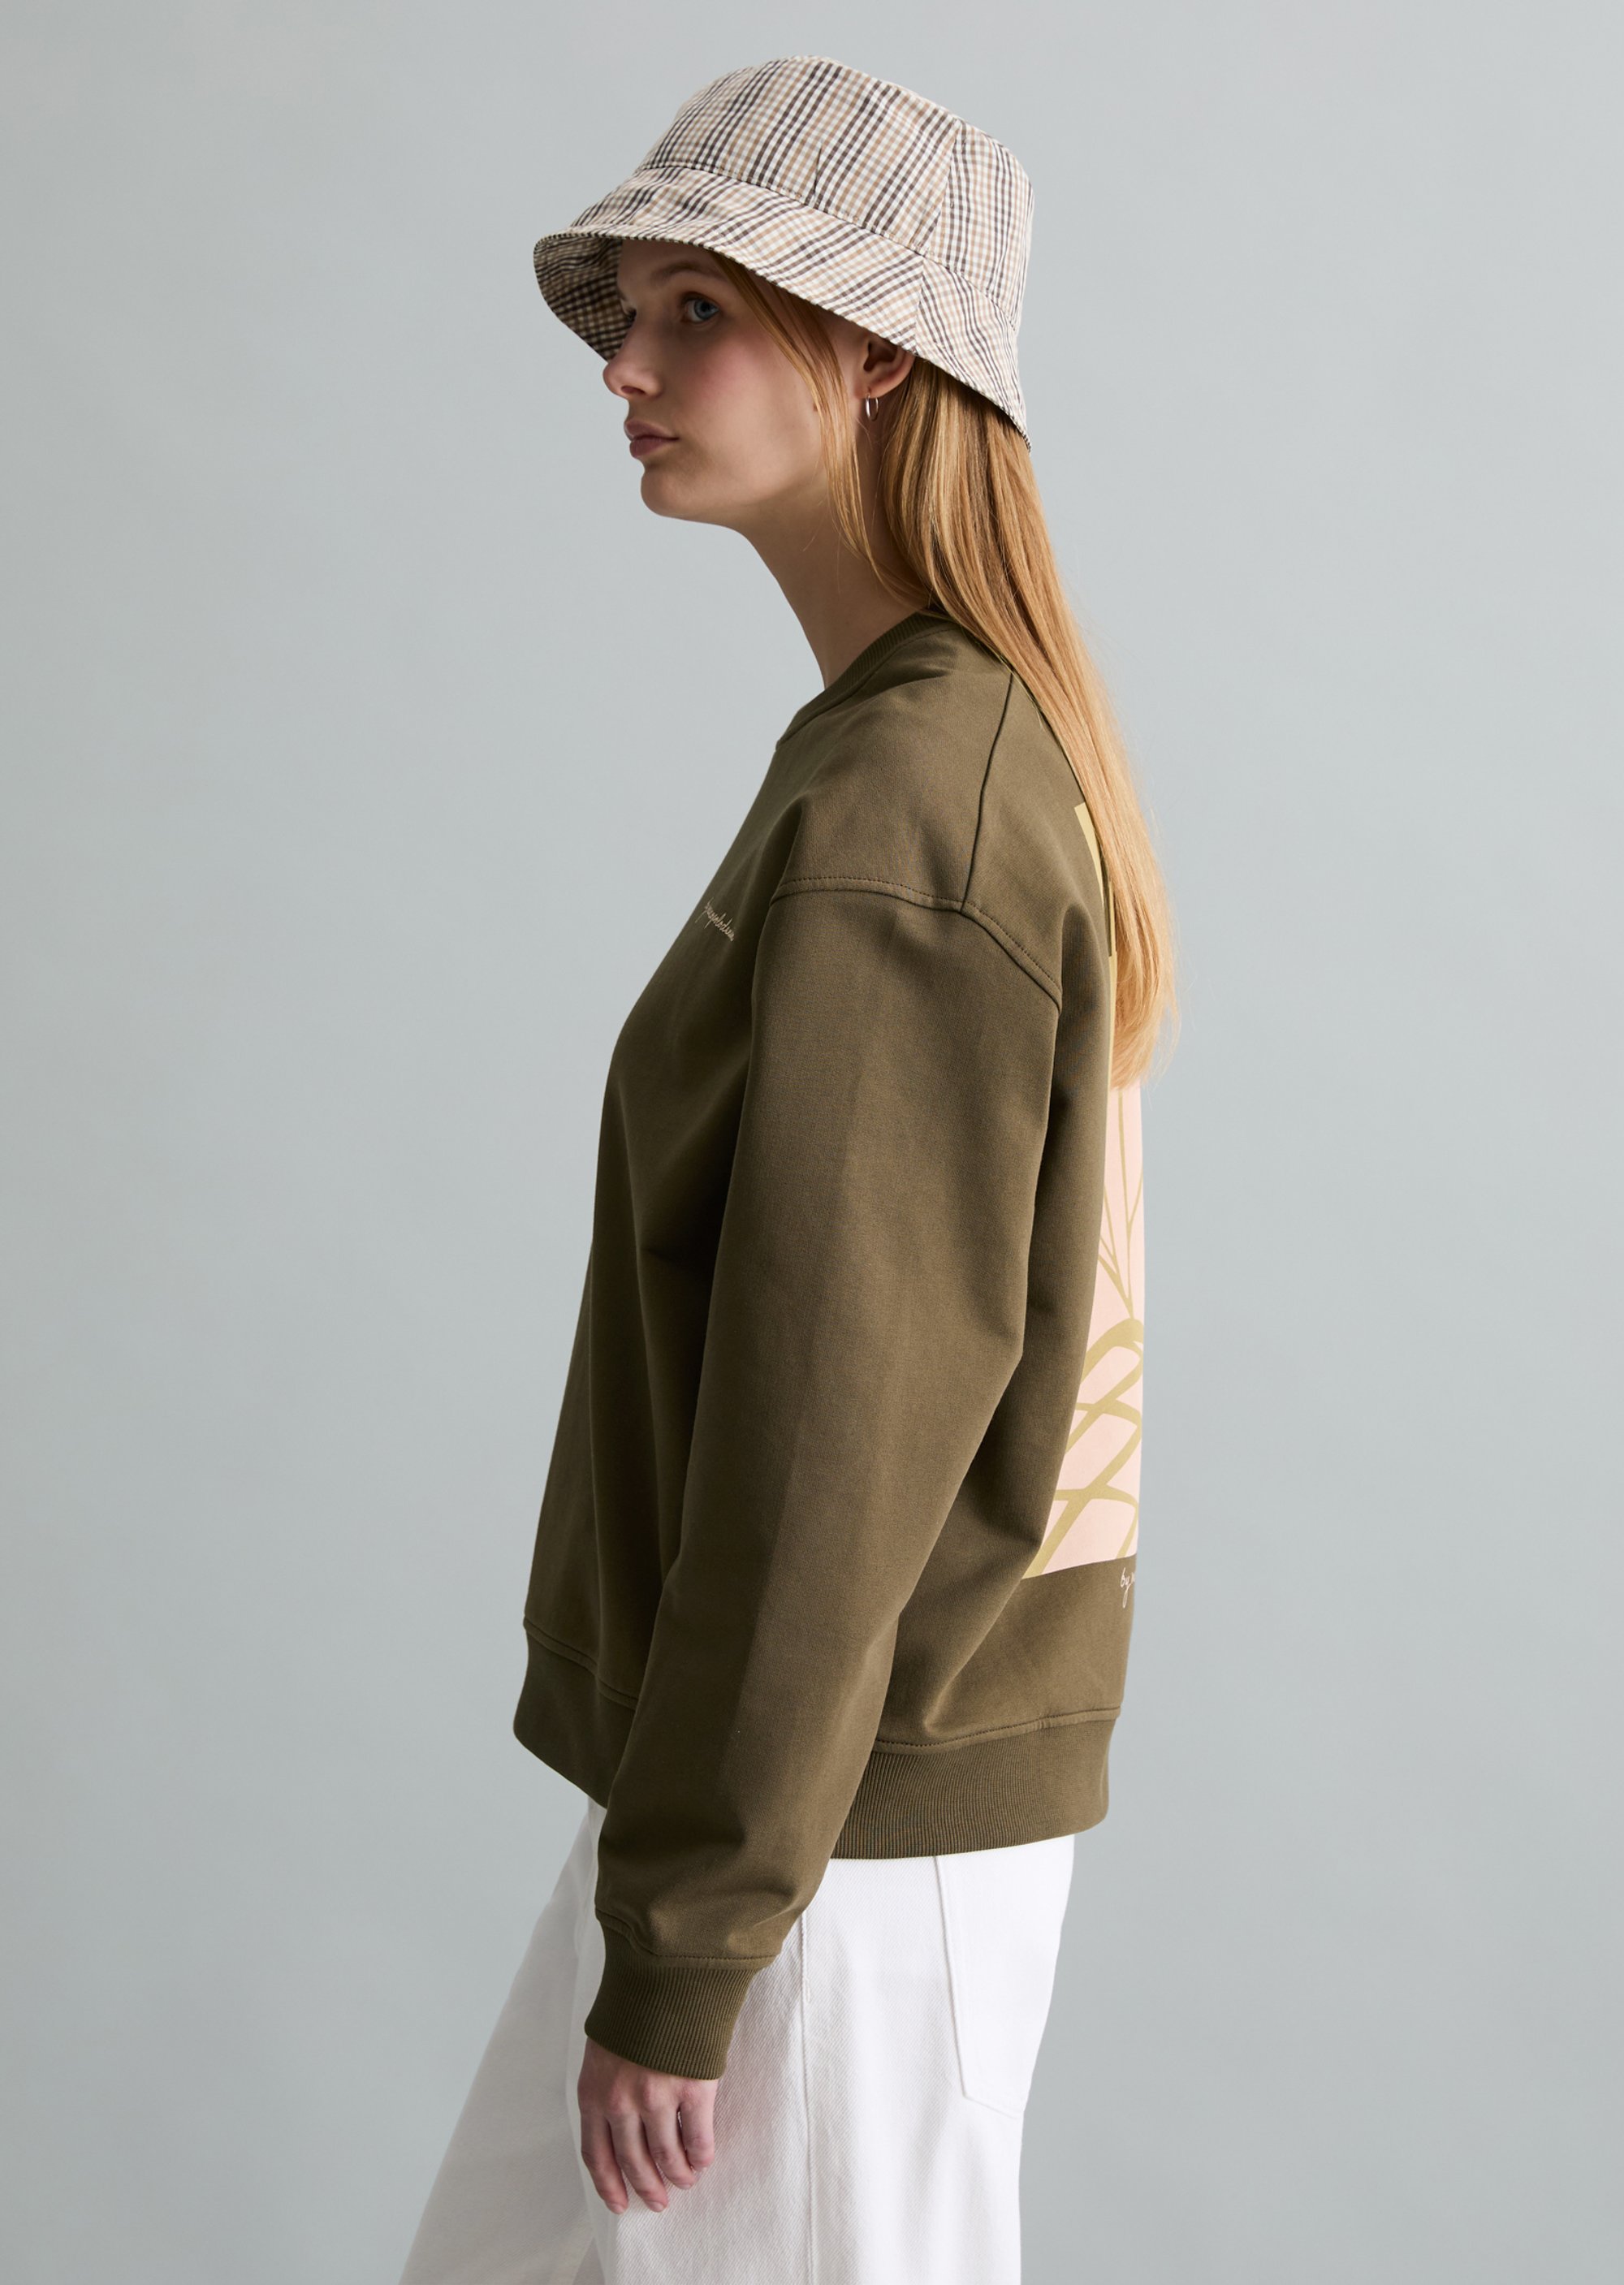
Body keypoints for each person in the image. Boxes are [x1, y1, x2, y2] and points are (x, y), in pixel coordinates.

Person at [396, 52, 1177, 2285]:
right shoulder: (912, 753)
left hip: (824, 1841)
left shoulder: (915, 808)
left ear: (879, 360)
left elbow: (837, 1422)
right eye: (630, 314)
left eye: (699, 313)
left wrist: (694, 1939)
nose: (626, 370)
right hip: (779, 1807)